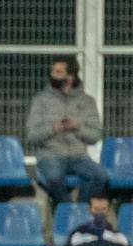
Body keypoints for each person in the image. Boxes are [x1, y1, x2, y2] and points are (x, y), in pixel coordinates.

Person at [25, 58, 107, 204]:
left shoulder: (87, 101)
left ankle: (81, 208)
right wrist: (53, 129)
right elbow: (31, 136)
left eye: (58, 72)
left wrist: (77, 128)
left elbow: (95, 136)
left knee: (100, 176)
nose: (52, 75)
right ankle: (66, 210)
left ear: (70, 76)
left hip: (79, 156)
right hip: (50, 155)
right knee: (54, 177)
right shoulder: (40, 100)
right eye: (53, 71)